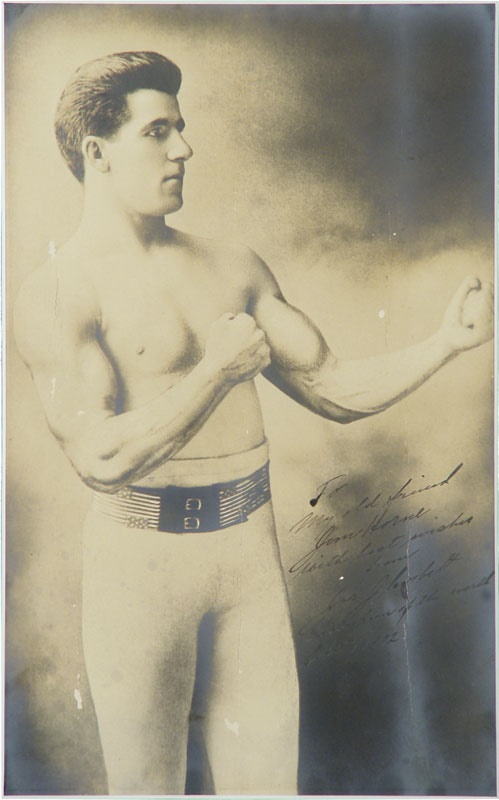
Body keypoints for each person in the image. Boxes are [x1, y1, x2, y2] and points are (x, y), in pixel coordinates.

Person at [14, 51, 493, 796]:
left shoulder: (233, 265)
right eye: (160, 130)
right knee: (144, 788)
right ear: (97, 152)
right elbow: (99, 458)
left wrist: (444, 345)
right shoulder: (58, 292)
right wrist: (215, 372)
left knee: (268, 787)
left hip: (246, 555)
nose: (185, 148)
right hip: (140, 566)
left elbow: (331, 386)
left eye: (182, 127)